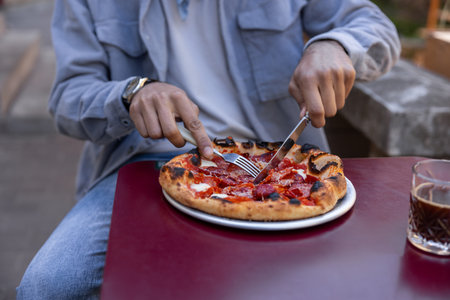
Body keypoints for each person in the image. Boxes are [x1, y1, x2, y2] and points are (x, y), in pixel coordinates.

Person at [17, 0, 400, 298]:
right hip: (145, 163)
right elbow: (67, 98)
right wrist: (129, 93)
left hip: (283, 161)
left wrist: (337, 45)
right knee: (49, 286)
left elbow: (377, 27)